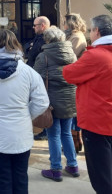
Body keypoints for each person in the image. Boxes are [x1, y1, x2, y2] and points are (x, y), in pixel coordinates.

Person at [0, 29, 49, 194]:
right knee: (21, 178)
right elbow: (42, 101)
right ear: (16, 45)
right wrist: (27, 114)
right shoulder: (29, 72)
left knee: (2, 181)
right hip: (21, 134)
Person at [63, 15, 112, 194]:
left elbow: (69, 74)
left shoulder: (96, 55)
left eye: (91, 30)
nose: (90, 34)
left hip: (96, 121)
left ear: (97, 31)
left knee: (101, 176)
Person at [34, 27, 79, 182]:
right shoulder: (71, 53)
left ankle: (56, 168)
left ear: (47, 40)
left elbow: (36, 78)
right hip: (70, 99)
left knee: (53, 135)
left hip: (52, 100)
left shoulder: (44, 56)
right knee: (66, 132)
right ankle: (73, 165)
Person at [63, 13, 87, 152]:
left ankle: (75, 143)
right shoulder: (72, 36)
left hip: (74, 77)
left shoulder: (77, 37)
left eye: (65, 22)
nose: (63, 25)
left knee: (73, 113)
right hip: (71, 75)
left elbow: (69, 56)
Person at [26, 16, 50, 141]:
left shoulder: (45, 39)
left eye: (35, 25)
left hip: (40, 75)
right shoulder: (38, 38)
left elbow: (33, 53)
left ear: (43, 26)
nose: (33, 27)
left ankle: (44, 128)